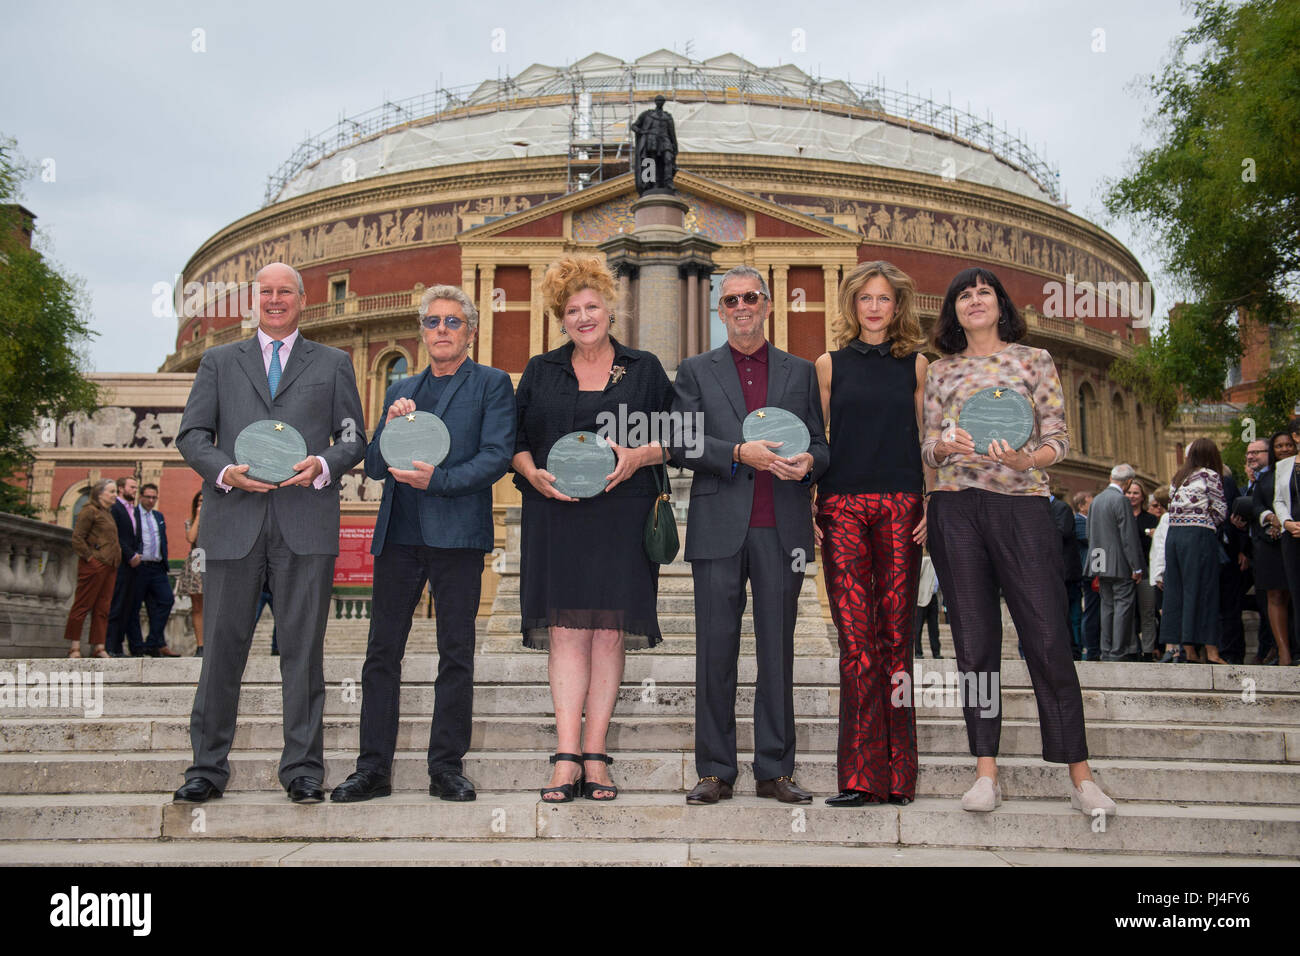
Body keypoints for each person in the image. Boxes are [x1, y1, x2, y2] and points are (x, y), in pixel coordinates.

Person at [921, 266, 1115, 817]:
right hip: (956, 508)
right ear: (953, 310)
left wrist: (1027, 458)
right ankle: (986, 770)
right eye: (964, 294)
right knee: (974, 642)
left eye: (984, 292)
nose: (974, 300)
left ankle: (1080, 775)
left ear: (1001, 305)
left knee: (1049, 636)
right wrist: (945, 445)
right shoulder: (940, 371)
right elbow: (929, 447)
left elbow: (1058, 437)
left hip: (1024, 505)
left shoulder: (1035, 361)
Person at [172, 261, 366, 805]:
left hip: (305, 522)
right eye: (267, 292)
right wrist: (222, 470)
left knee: (303, 653)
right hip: (234, 521)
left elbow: (353, 436)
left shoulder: (333, 363)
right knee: (221, 653)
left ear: (303, 300)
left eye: (286, 292)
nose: (276, 300)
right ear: (254, 301)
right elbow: (192, 434)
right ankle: (206, 769)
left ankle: (303, 770)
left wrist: (324, 463)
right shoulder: (218, 361)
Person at [332, 284, 514, 804]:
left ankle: (445, 767)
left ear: (471, 331)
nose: (441, 331)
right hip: (399, 537)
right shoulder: (401, 387)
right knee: (381, 654)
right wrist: (388, 427)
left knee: (454, 653)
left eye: (452, 322)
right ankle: (372, 769)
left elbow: (496, 456)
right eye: (432, 322)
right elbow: (371, 465)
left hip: (457, 536)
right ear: (422, 331)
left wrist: (438, 480)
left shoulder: (493, 384)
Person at [512, 255, 672, 802]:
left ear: (610, 309)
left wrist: (641, 454)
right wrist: (529, 470)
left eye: (592, 307)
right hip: (556, 514)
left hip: (622, 513)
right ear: (561, 319)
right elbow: (515, 441)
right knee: (565, 631)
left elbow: (678, 436)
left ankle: (596, 754)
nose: (584, 317)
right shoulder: (540, 370)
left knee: (607, 631)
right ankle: (565, 756)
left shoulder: (644, 368)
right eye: (572, 310)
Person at [673, 264, 829, 806]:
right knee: (715, 652)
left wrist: (810, 460)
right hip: (719, 528)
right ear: (719, 311)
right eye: (730, 300)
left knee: (777, 653)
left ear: (767, 304)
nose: (741, 307)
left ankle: (775, 770)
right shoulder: (694, 371)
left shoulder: (800, 371)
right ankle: (715, 770)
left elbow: (822, 445)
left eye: (750, 298)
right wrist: (738, 453)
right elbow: (683, 442)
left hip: (781, 529)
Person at [812, 260, 928, 806]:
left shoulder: (919, 366)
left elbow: (927, 441)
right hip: (842, 507)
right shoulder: (828, 366)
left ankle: (900, 776)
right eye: (865, 299)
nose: (875, 307)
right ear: (852, 305)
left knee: (896, 640)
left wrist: (932, 501)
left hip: (902, 505)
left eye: (884, 298)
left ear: (897, 305)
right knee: (856, 643)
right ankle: (860, 778)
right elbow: (820, 439)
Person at [1163, 438, 1229, 664]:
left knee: (1178, 591)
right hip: (1199, 536)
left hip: (1174, 536)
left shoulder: (1177, 478)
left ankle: (1187, 648)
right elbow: (1221, 511)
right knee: (1205, 591)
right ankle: (1212, 651)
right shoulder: (1210, 475)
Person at [1243, 432, 1295, 665]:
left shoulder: (1296, 472)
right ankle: (1283, 652)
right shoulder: (1266, 477)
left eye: (1288, 445)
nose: (1284, 449)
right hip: (1269, 544)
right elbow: (1256, 506)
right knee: (1275, 595)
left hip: (1293, 538)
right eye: (1278, 446)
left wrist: (1284, 522)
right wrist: (1270, 518)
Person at [1089, 464, 1145, 661]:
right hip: (1119, 563)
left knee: (1106, 606)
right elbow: (1127, 536)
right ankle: (1118, 651)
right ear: (1128, 482)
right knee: (1123, 604)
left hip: (1100, 561)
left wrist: (1095, 564)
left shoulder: (1096, 500)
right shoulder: (1120, 500)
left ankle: (1106, 649)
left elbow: (1091, 534)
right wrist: (1136, 566)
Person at [62, 478, 121, 659]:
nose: (114, 495)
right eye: (111, 492)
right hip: (95, 565)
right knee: (82, 605)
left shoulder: (107, 514)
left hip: (110, 566)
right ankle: (74, 646)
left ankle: (99, 646)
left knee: (103, 607)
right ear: (100, 493)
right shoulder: (89, 511)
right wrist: (90, 558)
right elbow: (77, 538)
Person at [133, 483, 179, 657]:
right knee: (134, 607)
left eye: (154, 497)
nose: (151, 500)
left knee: (166, 600)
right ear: (141, 496)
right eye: (148, 497)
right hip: (139, 567)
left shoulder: (158, 516)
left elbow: (163, 540)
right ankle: (138, 646)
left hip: (158, 567)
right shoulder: (133, 514)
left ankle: (153, 641)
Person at [105, 475, 143, 657]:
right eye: (132, 487)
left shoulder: (133, 510)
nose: (135, 490)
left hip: (133, 565)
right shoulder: (115, 509)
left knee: (128, 606)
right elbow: (116, 535)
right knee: (116, 604)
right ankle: (110, 646)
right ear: (121, 489)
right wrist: (130, 555)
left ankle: (118, 646)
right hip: (121, 562)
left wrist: (139, 552)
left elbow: (137, 535)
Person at [1272, 417, 1300, 664]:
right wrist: (1287, 522)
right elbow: (1278, 500)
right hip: (1291, 535)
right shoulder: (1284, 466)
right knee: (1296, 592)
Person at [1124, 477, 1161, 660]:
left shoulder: (1151, 519)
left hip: (1146, 571)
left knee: (1147, 613)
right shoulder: (1122, 517)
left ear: (1142, 496)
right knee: (1128, 614)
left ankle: (1148, 650)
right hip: (1126, 573)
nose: (1132, 496)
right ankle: (1132, 650)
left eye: (1135, 493)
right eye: (1129, 492)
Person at [1050, 489, 1083, 656]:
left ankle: (1074, 650)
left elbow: (1062, 533)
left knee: (1072, 614)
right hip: (1051, 573)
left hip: (1067, 573)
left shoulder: (1061, 508)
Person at [173, 491, 205, 657]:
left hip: (214, 560)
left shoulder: (219, 519)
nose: (202, 503)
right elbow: (191, 538)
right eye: (199, 500)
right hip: (197, 558)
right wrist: (199, 517)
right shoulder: (191, 521)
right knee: (197, 606)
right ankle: (201, 646)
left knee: (213, 606)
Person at [1072, 491, 1096, 659]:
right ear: (1081, 506)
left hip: (1093, 569)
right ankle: (1089, 647)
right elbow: (1091, 540)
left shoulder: (1089, 522)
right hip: (1087, 572)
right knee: (1089, 610)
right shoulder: (1079, 522)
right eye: (1091, 504)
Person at [914, 552, 942, 659]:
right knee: (918, 626)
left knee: (934, 627)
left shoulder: (939, 563)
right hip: (922, 598)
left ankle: (936, 652)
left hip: (933, 597)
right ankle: (918, 652)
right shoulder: (925, 561)